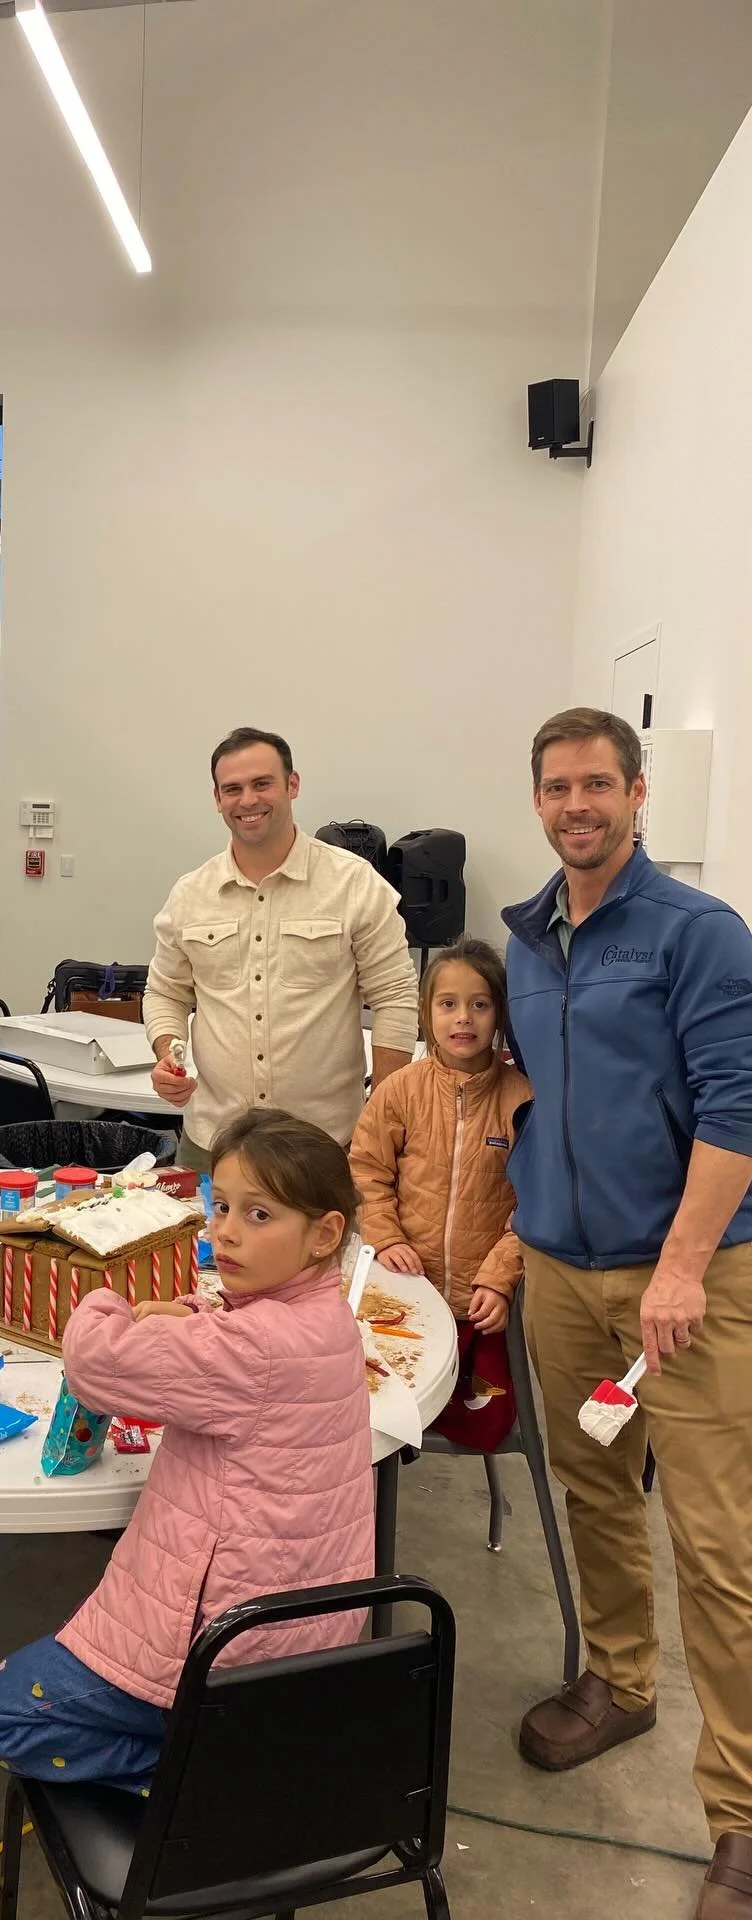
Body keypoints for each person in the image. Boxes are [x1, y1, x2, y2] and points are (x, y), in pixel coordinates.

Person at [504, 706, 752, 1919]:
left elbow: (738, 1111)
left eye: (598, 783)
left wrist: (683, 1266)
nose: (577, 805)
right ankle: (620, 1680)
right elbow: (531, 1083)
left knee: (716, 1547)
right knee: (595, 1484)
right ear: (538, 801)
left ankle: (742, 1818)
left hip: (689, 1289)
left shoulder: (697, 933)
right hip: (563, 1273)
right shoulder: (529, 936)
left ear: (639, 793)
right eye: (557, 787)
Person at [0, 1108, 374, 1793]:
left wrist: (112, 1303)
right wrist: (192, 1316)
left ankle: (204, 1776)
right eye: (222, 1208)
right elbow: (242, 1362)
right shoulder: (325, 1318)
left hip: (223, 1651)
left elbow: (95, 1362)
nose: (226, 1232)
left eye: (260, 1216)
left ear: (324, 1235)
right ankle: (224, 1750)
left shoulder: (255, 1347)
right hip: (307, 1635)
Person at [144, 727, 418, 1169]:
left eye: (262, 783)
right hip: (213, 1143)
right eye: (232, 789)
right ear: (217, 799)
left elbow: (396, 997)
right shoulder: (190, 894)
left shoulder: (353, 884)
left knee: (330, 1241)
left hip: (325, 1145)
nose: (247, 800)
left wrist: (383, 1111)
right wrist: (167, 1055)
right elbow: (165, 992)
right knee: (207, 1241)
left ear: (292, 784)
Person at [349, 936, 529, 1449]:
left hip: (483, 1301)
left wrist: (500, 1276)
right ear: (427, 1014)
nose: (463, 1019)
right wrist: (385, 1237)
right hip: (409, 1288)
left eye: (480, 1004)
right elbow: (367, 1170)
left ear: (500, 1015)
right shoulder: (400, 1089)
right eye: (448, 1004)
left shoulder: (522, 1098)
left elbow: (536, 1204)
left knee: (485, 1423)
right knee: (382, 1414)